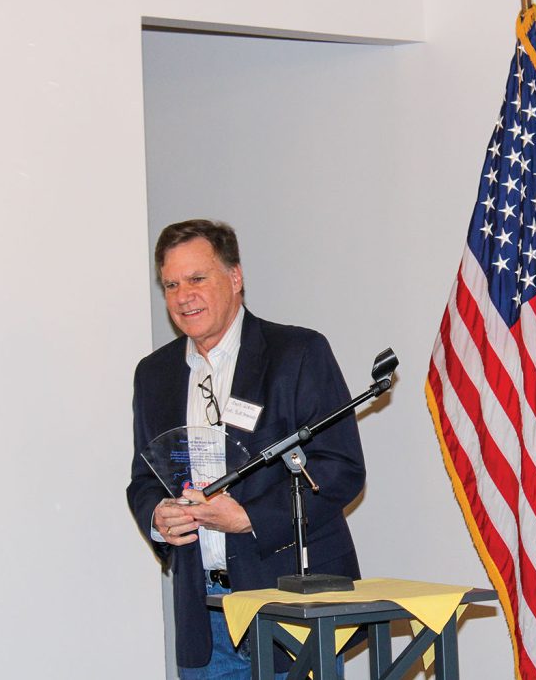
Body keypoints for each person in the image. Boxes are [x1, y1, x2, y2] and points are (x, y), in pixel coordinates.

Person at [127, 219, 365, 679]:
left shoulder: (297, 353)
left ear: (235, 277)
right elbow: (143, 479)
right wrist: (158, 518)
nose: (182, 296)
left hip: (291, 610)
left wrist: (250, 517)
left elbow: (340, 468)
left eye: (197, 278)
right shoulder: (154, 374)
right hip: (205, 618)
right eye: (170, 284)